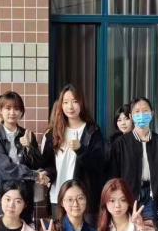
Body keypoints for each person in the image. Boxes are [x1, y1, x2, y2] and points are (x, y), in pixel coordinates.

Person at [34, 85, 107, 218]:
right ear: (61, 105)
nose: (70, 106)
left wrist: (80, 150)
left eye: (74, 101)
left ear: (81, 103)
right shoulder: (53, 133)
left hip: (84, 198)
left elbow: (99, 165)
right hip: (59, 197)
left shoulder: (92, 131)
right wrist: (46, 174)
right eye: (66, 102)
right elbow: (48, 164)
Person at [0, 91, 50, 219]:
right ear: (0, 111)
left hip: (23, 196)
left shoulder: (27, 134)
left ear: (21, 112)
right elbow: (5, 168)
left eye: (16, 108)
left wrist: (29, 147)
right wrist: (35, 175)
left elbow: (38, 164)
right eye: (8, 108)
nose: (12, 112)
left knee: (23, 230)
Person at [108, 96, 158, 225]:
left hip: (151, 196)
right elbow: (113, 174)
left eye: (145, 111)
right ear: (131, 116)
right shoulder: (121, 143)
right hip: (127, 195)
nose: (141, 115)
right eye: (137, 112)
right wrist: (115, 198)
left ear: (152, 114)